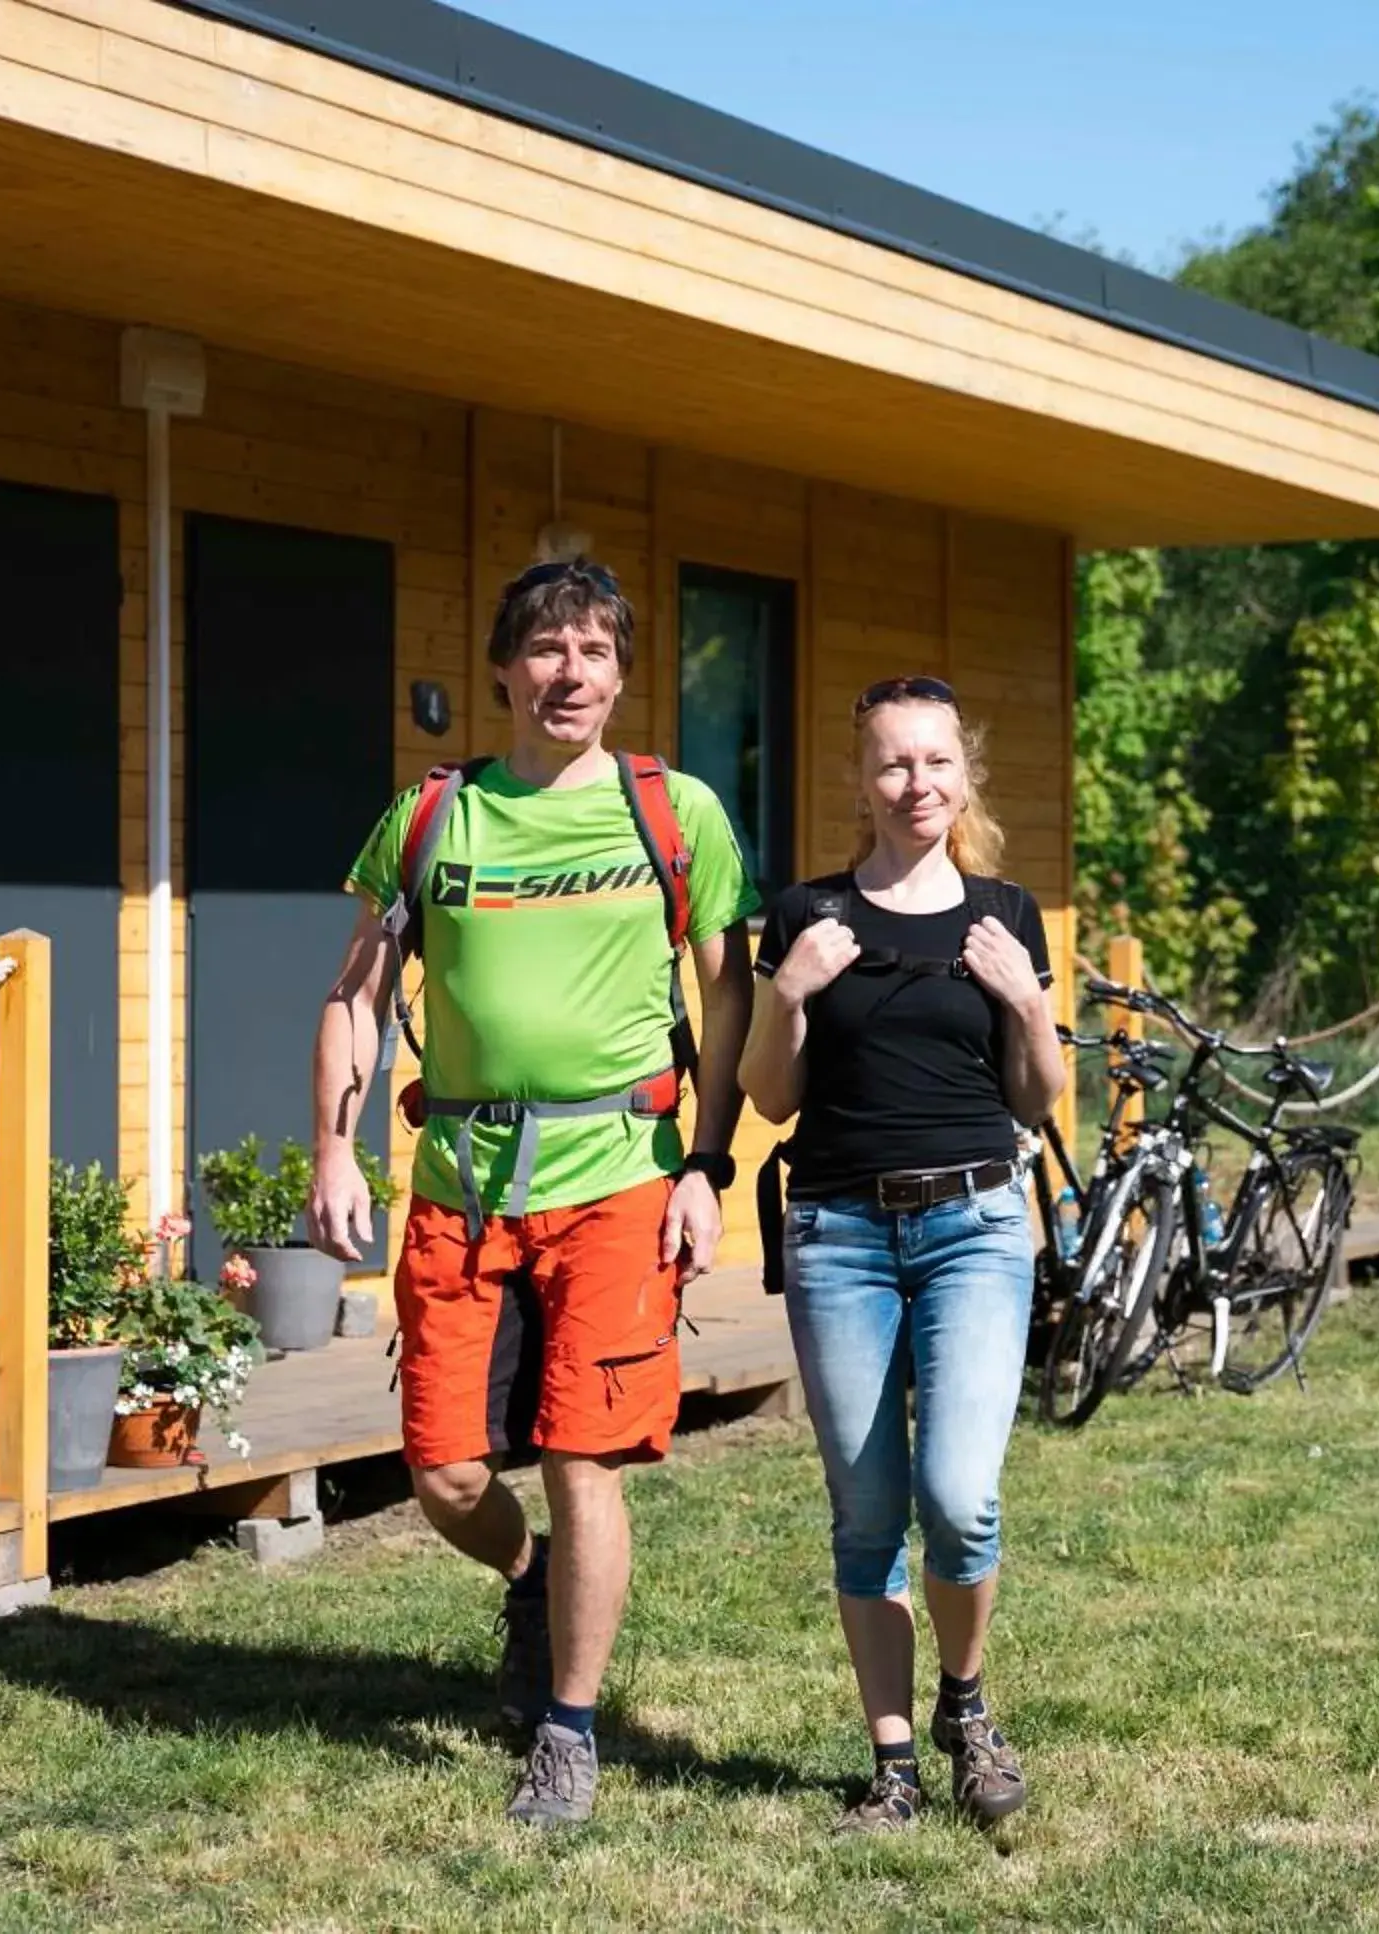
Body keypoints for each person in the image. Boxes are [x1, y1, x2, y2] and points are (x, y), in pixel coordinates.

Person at [307, 556, 756, 1828]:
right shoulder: (432, 818)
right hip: (459, 1181)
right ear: (505, 668)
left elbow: (730, 994)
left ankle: (567, 1729)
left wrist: (708, 1165)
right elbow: (352, 994)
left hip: (618, 1177)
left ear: (620, 674)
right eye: (550, 650)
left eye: (598, 652)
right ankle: (533, 1577)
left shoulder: (677, 815)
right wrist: (333, 1151)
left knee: (580, 1453)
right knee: (442, 1468)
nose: (573, 674)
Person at [739, 673, 1067, 1834]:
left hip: (977, 1224)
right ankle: (892, 1763)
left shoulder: (1005, 913)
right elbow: (769, 1097)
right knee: (867, 1510)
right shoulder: (807, 914)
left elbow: (1039, 1093)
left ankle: (965, 1700)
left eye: (936, 760)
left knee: (959, 1497)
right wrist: (791, 991)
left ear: (964, 774)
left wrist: (1025, 1004)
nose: (915, 782)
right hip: (840, 1235)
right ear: (861, 779)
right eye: (893, 762)